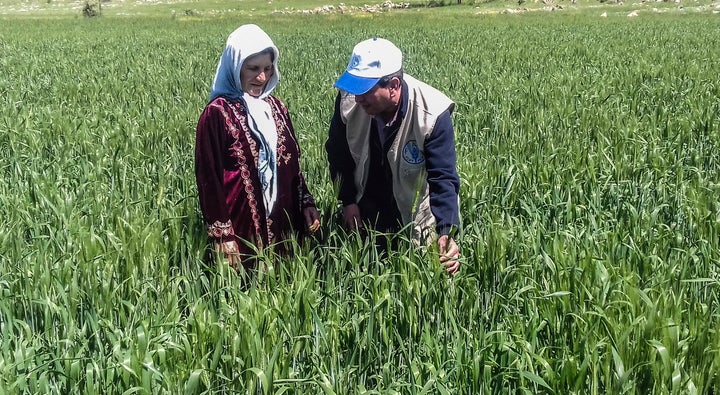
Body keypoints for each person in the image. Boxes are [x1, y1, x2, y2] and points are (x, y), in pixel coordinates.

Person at [326, 37, 461, 275]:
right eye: (354, 88)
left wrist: (446, 231)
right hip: (366, 195)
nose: (357, 98)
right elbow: (338, 153)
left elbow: (443, 178)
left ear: (394, 85)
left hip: (412, 205)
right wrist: (347, 201)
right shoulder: (349, 101)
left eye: (365, 91)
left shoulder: (432, 115)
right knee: (361, 270)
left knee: (421, 273)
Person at [195, 24, 320, 272]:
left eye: (267, 68)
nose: (261, 77)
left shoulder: (276, 108)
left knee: (285, 283)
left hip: (284, 220)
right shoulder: (217, 113)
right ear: (235, 67)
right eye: (252, 68)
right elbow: (208, 178)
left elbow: (293, 163)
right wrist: (222, 235)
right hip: (242, 228)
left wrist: (306, 202)